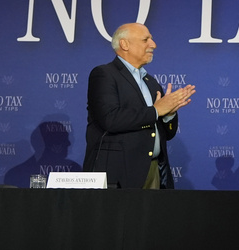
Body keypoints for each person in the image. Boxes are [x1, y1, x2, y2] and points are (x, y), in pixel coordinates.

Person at [83, 23, 195, 189]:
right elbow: (110, 119)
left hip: (153, 171)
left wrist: (169, 114)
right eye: (146, 40)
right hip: (119, 175)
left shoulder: (151, 82)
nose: (153, 44)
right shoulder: (104, 74)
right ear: (124, 44)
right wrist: (156, 111)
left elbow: (166, 134)